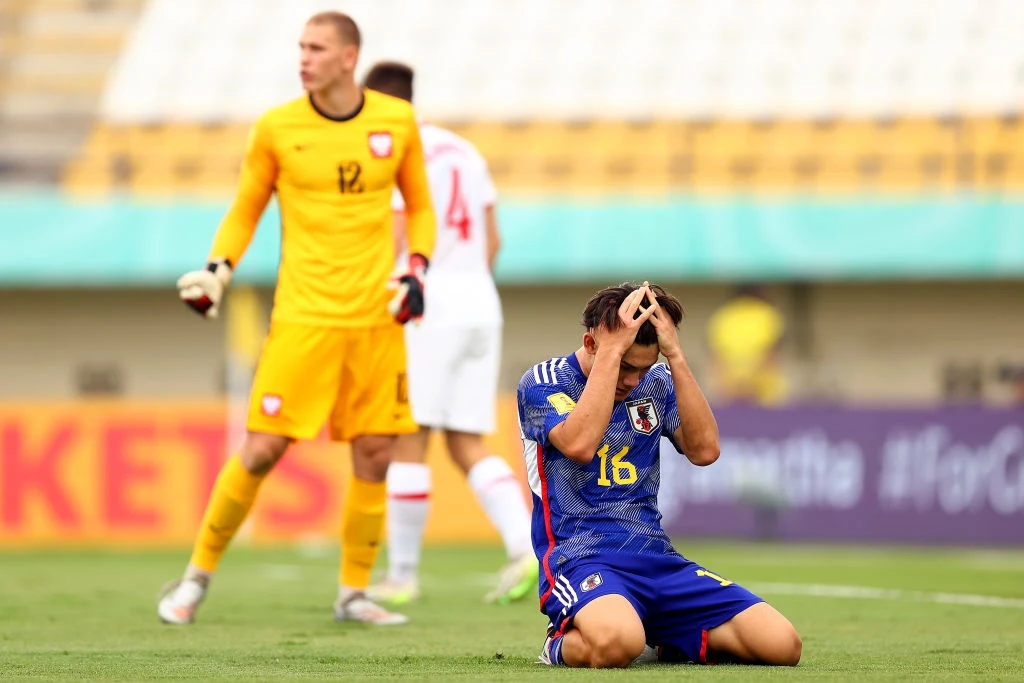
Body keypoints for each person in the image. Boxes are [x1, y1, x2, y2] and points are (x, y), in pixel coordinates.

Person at [157, 11, 436, 627]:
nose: (303, 58)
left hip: (375, 320)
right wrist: (217, 270)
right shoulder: (277, 128)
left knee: (375, 454)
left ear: (348, 56)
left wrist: (415, 269)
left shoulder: (396, 121)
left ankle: (353, 594)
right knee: (261, 449)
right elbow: (245, 209)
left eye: (316, 48)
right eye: (300, 47)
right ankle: (194, 579)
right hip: (303, 318)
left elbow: (419, 205)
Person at [517, 282, 802, 668]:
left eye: (644, 368)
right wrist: (611, 354)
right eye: (625, 365)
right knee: (618, 643)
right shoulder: (543, 381)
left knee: (782, 645)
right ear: (590, 343)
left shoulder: (658, 382)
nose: (633, 380)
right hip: (580, 558)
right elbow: (580, 444)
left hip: (655, 558)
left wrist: (676, 358)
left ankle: (658, 637)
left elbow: (705, 452)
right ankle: (559, 644)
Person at [360, 62, 536, 605]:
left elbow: (395, 242)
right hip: (480, 304)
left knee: (408, 438)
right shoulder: (465, 151)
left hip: (427, 307)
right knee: (466, 443)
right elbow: (494, 241)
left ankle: (403, 576)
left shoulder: (397, 153)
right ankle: (525, 550)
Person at [706, 283, 787, 405]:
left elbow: (716, 356)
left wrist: (734, 384)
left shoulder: (723, 316)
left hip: (730, 390)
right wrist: (752, 382)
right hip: (764, 392)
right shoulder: (767, 314)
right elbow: (772, 353)